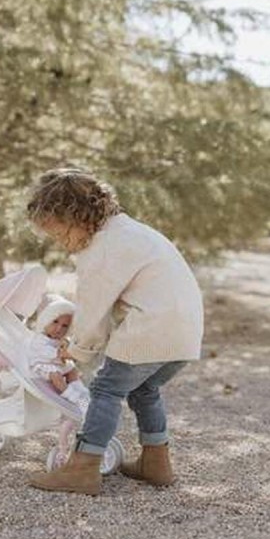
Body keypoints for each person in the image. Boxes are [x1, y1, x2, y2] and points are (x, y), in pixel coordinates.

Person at [26, 167, 204, 496]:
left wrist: (76, 349)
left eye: (62, 234)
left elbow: (92, 309)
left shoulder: (102, 248)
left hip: (151, 326)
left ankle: (83, 468)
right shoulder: (130, 231)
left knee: (106, 389)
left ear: (77, 216)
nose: (63, 244)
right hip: (185, 330)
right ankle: (156, 462)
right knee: (145, 389)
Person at [28, 293, 90, 416]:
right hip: (43, 364)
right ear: (46, 320)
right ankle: (72, 396)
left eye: (64, 326)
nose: (59, 328)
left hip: (57, 363)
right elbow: (50, 353)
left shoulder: (61, 339)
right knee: (56, 376)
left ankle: (80, 391)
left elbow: (66, 350)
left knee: (72, 371)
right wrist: (63, 353)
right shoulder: (40, 339)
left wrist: (67, 345)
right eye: (55, 322)